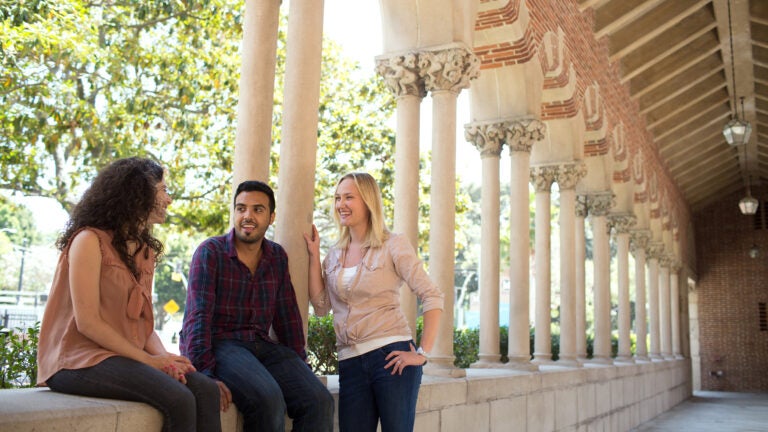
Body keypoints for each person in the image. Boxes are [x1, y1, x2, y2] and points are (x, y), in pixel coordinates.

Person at [37, 157, 221, 432]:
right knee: (178, 398)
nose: (169, 200)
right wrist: (150, 361)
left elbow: (142, 324)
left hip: (121, 358)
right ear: (138, 193)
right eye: (163, 190)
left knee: (206, 389)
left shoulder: (145, 251)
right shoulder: (88, 240)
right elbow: (88, 322)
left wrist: (168, 360)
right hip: (76, 361)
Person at [180, 180, 334, 432]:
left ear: (271, 217)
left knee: (320, 400)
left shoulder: (276, 256)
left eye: (257, 209)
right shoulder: (210, 252)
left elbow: (287, 317)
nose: (247, 216)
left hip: (261, 345)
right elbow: (197, 318)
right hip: (222, 344)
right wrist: (206, 375)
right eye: (241, 209)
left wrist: (300, 366)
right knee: (268, 399)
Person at [303, 172, 444, 432]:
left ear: (368, 201)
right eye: (337, 198)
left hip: (391, 358)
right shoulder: (333, 255)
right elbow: (321, 307)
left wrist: (422, 354)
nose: (340, 204)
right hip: (350, 363)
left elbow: (432, 295)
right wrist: (314, 256)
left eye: (348, 197)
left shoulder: (392, 245)